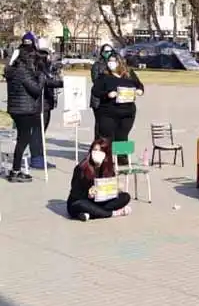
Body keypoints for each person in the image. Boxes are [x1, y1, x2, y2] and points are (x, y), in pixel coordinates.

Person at [4, 47, 47, 182]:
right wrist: (41, 77)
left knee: (22, 139)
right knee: (23, 140)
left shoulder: (13, 71)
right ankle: (16, 170)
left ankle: (16, 169)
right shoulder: (23, 72)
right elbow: (36, 89)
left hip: (16, 109)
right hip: (24, 110)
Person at [66, 138, 132, 220]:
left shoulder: (108, 168)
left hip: (100, 201)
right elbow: (75, 193)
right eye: (95, 150)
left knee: (125, 196)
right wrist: (88, 194)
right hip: (80, 201)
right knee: (81, 204)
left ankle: (91, 214)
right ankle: (112, 213)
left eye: (101, 151)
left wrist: (117, 188)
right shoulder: (81, 168)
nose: (97, 153)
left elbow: (110, 190)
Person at [29, 39, 63, 170]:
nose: (50, 57)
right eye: (48, 54)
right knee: (38, 133)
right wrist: (62, 83)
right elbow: (46, 83)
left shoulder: (46, 68)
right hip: (39, 105)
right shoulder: (37, 69)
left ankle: (40, 157)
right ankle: (37, 159)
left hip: (46, 104)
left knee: (41, 132)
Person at [89, 44, 115, 111]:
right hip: (99, 99)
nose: (108, 53)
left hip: (112, 99)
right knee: (100, 120)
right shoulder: (97, 65)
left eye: (110, 51)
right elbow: (95, 81)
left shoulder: (116, 64)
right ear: (102, 52)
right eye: (106, 51)